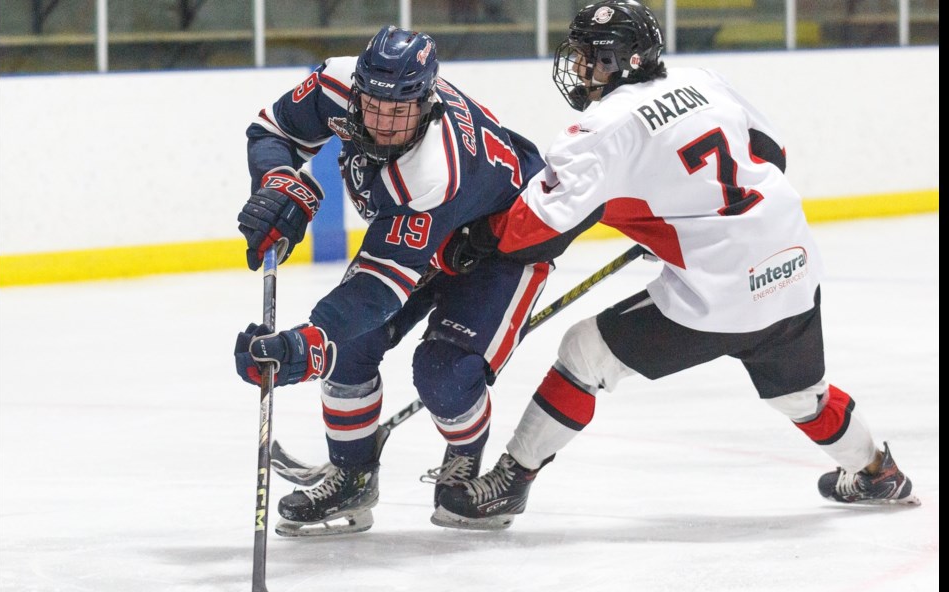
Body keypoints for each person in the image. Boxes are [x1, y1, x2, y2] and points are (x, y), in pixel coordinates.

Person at [431, 0, 920, 531]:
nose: (579, 68)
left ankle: (510, 484)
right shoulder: (704, 80)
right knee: (802, 395)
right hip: (792, 261)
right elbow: (772, 153)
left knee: (584, 351)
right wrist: (688, 211)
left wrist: (474, 239)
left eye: (590, 58)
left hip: (721, 290)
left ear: (623, 61)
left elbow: (538, 228)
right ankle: (877, 471)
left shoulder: (601, 129)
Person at [233, 26, 550, 535]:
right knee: (351, 341)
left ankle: (464, 464)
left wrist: (308, 346)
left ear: (427, 103)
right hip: (429, 228)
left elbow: (380, 289)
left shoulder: (432, 170)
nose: (382, 123)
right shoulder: (337, 83)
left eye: (400, 112)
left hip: (502, 241)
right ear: (357, 87)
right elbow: (273, 130)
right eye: (373, 105)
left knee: (443, 373)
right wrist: (278, 179)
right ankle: (352, 477)